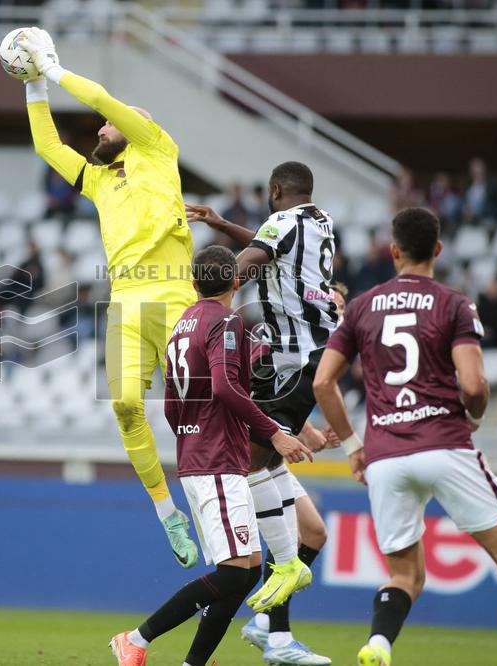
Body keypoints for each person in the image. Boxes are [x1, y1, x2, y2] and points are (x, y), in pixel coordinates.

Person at [312, 208, 497, 666]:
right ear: (438, 249)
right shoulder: (453, 303)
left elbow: (322, 383)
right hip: (445, 444)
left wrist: (354, 448)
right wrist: (471, 419)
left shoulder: (361, 306)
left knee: (405, 575)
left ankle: (378, 645)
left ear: (393, 250)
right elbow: (474, 385)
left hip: (386, 455)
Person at [16, 27, 199, 566]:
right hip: (124, 301)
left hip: (175, 294)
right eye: (101, 123)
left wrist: (54, 69)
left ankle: (240, 494)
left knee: (202, 405)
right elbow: (48, 146)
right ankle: (169, 514)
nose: (99, 125)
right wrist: (34, 88)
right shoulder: (99, 180)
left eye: (108, 122)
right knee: (123, 405)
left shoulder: (158, 148)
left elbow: (101, 99)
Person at [109, 245, 314, 666]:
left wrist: (191, 432)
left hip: (200, 457)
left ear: (193, 283)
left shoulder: (182, 324)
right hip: (216, 459)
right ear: (236, 282)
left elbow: (171, 404)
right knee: (235, 572)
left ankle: (193, 663)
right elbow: (224, 387)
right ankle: (136, 638)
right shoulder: (227, 321)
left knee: (250, 569)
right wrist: (274, 433)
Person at [186, 162, 340, 666]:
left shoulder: (282, 224)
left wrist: (206, 279)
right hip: (311, 354)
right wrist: (226, 225)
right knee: (306, 517)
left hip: (291, 359)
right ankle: (273, 631)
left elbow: (241, 268)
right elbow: (275, 245)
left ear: (275, 191)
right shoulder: (319, 222)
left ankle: (285, 572)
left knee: (251, 460)